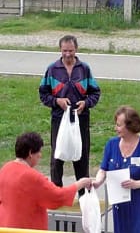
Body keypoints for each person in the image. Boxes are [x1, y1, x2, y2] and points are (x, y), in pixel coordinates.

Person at [39, 35, 101, 193]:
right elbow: (43, 94)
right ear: (60, 50)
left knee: (81, 156)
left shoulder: (84, 69)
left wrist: (86, 103)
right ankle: (56, 193)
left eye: (71, 51)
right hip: (59, 119)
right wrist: (56, 101)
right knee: (57, 157)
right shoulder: (52, 69)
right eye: (64, 51)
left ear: (76, 49)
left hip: (81, 120)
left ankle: (84, 195)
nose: (67, 54)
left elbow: (95, 92)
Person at [0, 132, 92, 230]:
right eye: (39, 152)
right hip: (27, 228)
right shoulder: (33, 177)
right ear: (31, 153)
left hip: (6, 228)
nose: (40, 155)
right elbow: (57, 196)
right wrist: (81, 183)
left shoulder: (5, 169)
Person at [92, 105, 140, 233]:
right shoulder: (111, 144)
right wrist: (97, 182)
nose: (115, 128)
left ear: (130, 126)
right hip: (120, 206)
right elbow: (103, 169)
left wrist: (138, 184)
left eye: (119, 125)